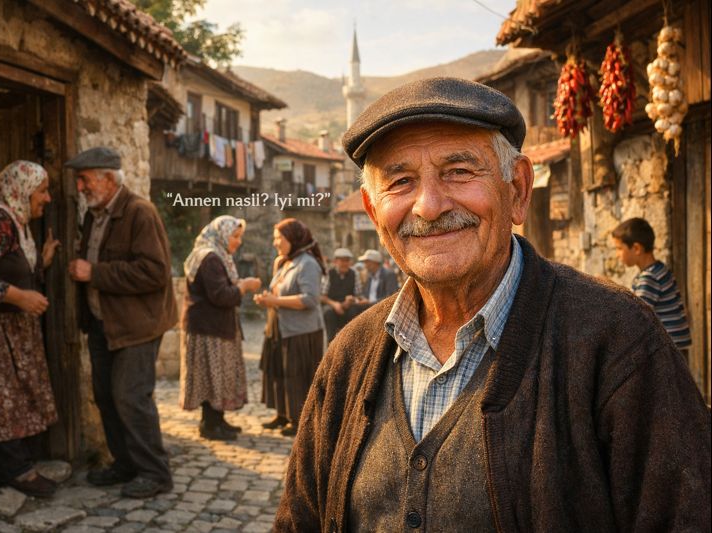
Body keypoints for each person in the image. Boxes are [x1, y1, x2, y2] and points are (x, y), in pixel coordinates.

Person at [275, 78, 710, 531]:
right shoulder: (351, 353)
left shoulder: (616, 338)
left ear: (518, 189)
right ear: (373, 212)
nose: (428, 206)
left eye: (459, 172)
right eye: (401, 182)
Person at [66, 147, 178, 499]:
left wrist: (94, 273)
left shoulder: (139, 212)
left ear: (108, 179)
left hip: (137, 326)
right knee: (105, 396)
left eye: (84, 179)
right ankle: (125, 464)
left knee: (130, 397)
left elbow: (155, 273)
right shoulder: (93, 216)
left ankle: (155, 472)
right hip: (103, 324)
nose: (80, 187)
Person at [0, 160, 61, 498]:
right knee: (1, 400)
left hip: (14, 329)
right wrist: (20, 297)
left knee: (17, 396)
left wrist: (41, 264)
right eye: (43, 191)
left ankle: (18, 464)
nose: (47, 198)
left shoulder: (16, 222)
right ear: (22, 191)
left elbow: (9, 268)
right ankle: (9, 470)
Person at [181, 216, 262, 441]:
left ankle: (217, 420)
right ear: (222, 234)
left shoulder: (219, 256)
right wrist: (244, 286)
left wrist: (239, 285)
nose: (237, 242)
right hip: (208, 328)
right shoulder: (210, 258)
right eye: (235, 236)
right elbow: (220, 295)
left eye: (239, 237)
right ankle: (209, 424)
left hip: (215, 326)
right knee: (211, 375)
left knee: (218, 375)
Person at [255, 218, 325, 437]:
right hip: (278, 326)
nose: (275, 242)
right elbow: (280, 292)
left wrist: (274, 302)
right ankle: (283, 413)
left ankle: (299, 419)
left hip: (301, 331)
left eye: (279, 238)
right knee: (278, 370)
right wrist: (268, 298)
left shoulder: (307, 264)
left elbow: (310, 299)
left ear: (293, 239)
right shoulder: (283, 262)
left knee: (297, 374)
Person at [612, 217, 692, 352]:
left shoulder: (649, 278)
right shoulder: (659, 270)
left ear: (636, 248)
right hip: (675, 350)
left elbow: (636, 315)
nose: (617, 255)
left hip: (668, 353)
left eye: (619, 248)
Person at [320, 248, 363, 342]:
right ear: (335, 261)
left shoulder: (354, 273)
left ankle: (351, 342)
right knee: (328, 313)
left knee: (354, 312)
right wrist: (334, 304)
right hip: (332, 306)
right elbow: (322, 296)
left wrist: (352, 299)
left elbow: (359, 295)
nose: (345, 263)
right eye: (342, 260)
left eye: (347, 260)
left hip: (349, 306)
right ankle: (330, 343)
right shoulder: (329, 273)